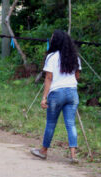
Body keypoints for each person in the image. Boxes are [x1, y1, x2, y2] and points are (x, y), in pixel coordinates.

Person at [30, 30, 81, 163]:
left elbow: (49, 78)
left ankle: (43, 151)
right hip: (72, 92)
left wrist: (44, 97)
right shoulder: (75, 57)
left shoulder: (51, 57)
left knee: (51, 123)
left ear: (55, 41)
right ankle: (73, 155)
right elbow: (77, 75)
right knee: (71, 123)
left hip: (56, 93)